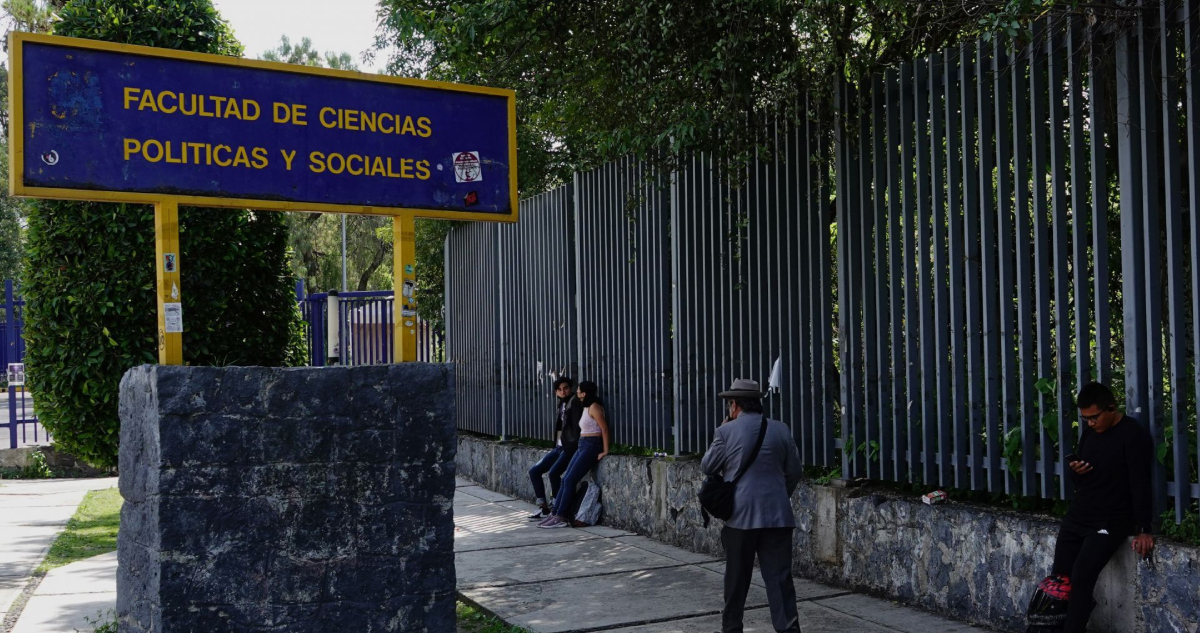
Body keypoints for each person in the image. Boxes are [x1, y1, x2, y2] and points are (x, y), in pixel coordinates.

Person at [1042, 382, 1155, 632]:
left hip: (1110, 520)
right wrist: (1077, 471)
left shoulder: (1133, 435)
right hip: (1079, 515)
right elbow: (1084, 481)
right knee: (1060, 579)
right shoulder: (1090, 433)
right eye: (1085, 419)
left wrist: (1144, 528)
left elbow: (1140, 483)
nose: (1091, 423)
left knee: (1082, 577)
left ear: (1111, 408)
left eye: (1094, 417)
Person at [701, 378, 803, 633]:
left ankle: (732, 629)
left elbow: (708, 466)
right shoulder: (781, 429)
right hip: (778, 517)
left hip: (740, 517)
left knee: (736, 581)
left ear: (734, 405)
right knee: (780, 581)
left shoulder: (726, 431)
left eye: (729, 405)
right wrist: (779, 496)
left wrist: (721, 431)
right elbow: (795, 471)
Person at [538, 380, 609, 529]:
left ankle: (561, 516)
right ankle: (555, 513)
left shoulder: (595, 407)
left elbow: (604, 429)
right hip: (582, 444)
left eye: (579, 391)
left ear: (584, 393)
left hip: (591, 445)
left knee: (570, 480)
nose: (576, 392)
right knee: (565, 479)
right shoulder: (586, 407)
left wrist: (605, 450)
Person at [526, 376, 582, 520]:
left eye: (566, 388)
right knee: (534, 471)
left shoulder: (574, 402)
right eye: (559, 390)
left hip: (569, 448)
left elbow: (577, 427)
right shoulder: (561, 404)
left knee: (553, 473)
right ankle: (543, 507)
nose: (563, 392)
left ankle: (556, 507)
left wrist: (574, 445)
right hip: (558, 447)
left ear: (571, 388)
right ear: (556, 392)